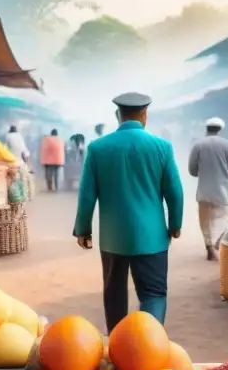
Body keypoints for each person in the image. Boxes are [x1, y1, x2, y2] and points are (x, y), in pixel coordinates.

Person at [74, 93, 184, 332]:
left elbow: (86, 195)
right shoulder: (162, 147)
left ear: (118, 115)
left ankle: (117, 346)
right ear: (144, 114)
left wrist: (83, 229)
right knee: (153, 294)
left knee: (114, 294)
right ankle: (148, 346)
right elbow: (174, 191)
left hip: (113, 239)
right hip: (152, 238)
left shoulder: (97, 148)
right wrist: (175, 224)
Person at [188, 117, 228, 261]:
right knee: (223, 219)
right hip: (222, 193)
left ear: (207, 129)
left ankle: (209, 247)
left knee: (205, 221)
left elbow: (192, 171)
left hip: (204, 193)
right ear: (220, 130)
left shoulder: (197, 145)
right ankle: (218, 241)